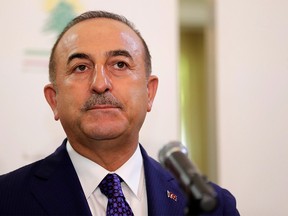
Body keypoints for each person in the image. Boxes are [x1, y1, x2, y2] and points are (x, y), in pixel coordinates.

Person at [0, 10, 239, 215]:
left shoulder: (214, 207)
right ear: (54, 99)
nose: (100, 83)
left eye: (120, 64)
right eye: (81, 67)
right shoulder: (7, 199)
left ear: (149, 92)